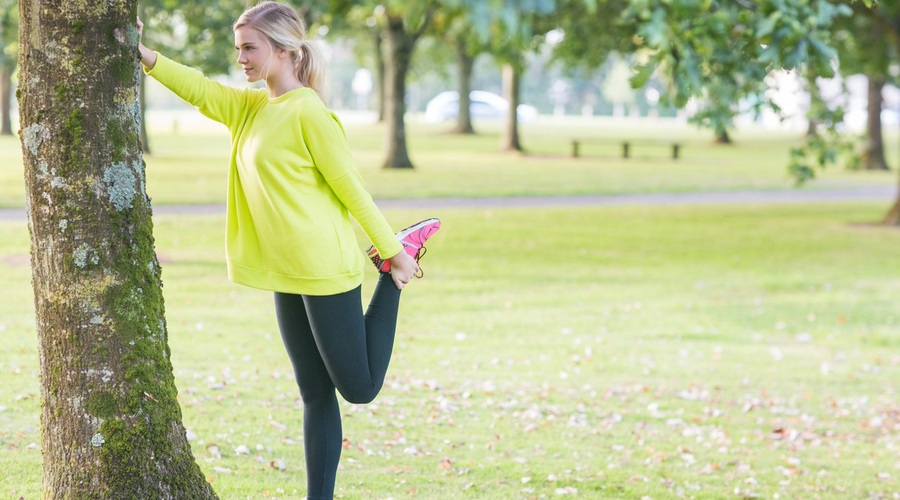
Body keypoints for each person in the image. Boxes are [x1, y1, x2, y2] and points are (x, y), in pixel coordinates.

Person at [137, 3, 440, 498]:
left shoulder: (309, 113)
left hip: (325, 270)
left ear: (283, 50)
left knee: (358, 389)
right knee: (315, 392)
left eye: (250, 48)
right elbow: (201, 90)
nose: (242, 59)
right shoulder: (252, 109)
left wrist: (392, 251)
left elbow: (352, 190)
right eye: (238, 49)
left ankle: (393, 272)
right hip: (286, 274)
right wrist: (145, 54)